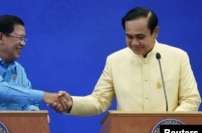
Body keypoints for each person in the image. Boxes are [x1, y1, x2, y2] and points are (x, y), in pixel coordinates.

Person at [54, 7, 201, 116]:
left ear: (155, 32)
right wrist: (72, 103)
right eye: (129, 37)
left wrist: (170, 123)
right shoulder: (115, 60)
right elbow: (99, 101)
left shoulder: (178, 57)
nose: (134, 42)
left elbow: (191, 99)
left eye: (140, 37)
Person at [0, 15, 62, 111]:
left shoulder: (19, 70)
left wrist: (34, 114)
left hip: (12, 129)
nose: (23, 43)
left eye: (24, 39)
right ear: (1, 38)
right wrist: (44, 96)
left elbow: (28, 104)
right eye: (19, 38)